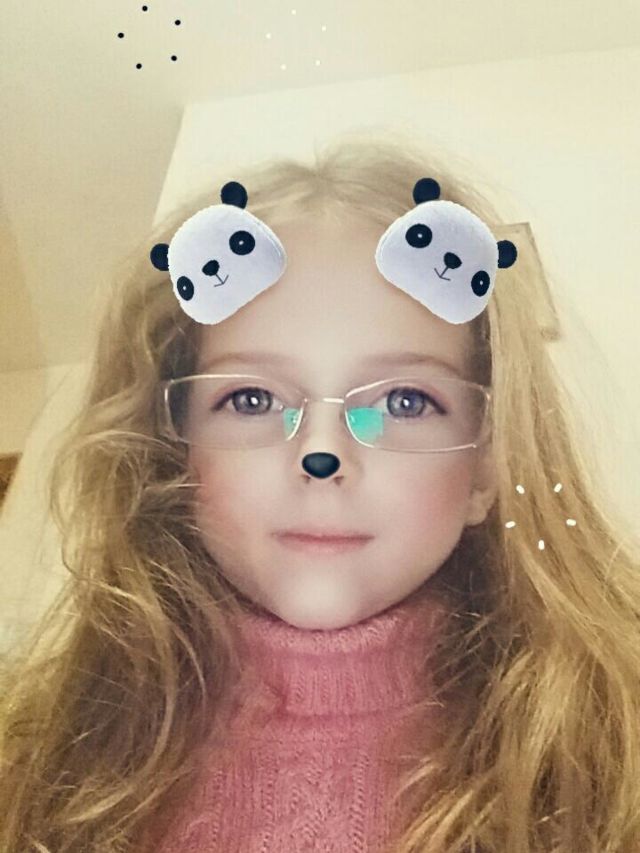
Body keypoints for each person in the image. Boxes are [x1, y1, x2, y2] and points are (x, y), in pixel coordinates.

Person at [1, 131, 640, 853]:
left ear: (485, 471)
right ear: (173, 452)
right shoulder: (39, 764)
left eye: (403, 401)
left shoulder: (610, 755)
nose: (322, 455)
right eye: (252, 399)